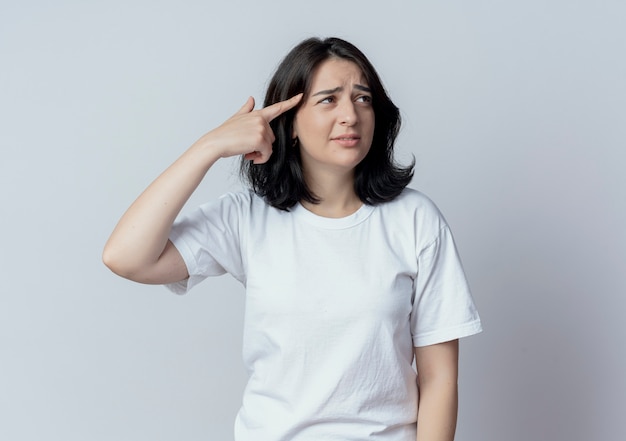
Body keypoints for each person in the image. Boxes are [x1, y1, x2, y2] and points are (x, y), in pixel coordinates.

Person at [103, 37, 482, 441]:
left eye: (362, 99)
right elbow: (126, 256)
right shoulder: (247, 217)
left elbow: (440, 378)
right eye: (328, 100)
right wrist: (209, 146)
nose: (350, 116)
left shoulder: (415, 220)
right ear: (291, 122)